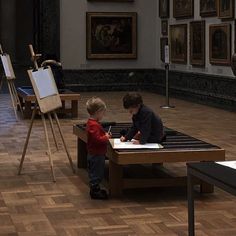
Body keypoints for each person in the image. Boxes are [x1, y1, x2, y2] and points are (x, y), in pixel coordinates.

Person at [86, 97, 112, 200]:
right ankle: (95, 190)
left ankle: (95, 188)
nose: (103, 115)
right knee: (96, 172)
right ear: (98, 112)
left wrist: (103, 134)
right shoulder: (94, 125)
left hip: (95, 152)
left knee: (96, 171)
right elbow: (97, 139)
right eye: (102, 113)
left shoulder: (91, 123)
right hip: (96, 153)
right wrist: (106, 137)